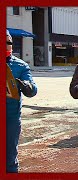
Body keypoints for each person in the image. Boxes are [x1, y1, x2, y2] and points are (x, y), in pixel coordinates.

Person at [6, 30, 38, 172]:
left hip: (10, 118)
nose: (7, 45)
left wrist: (26, 86)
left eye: (9, 42)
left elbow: (33, 89)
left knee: (9, 158)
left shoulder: (21, 66)